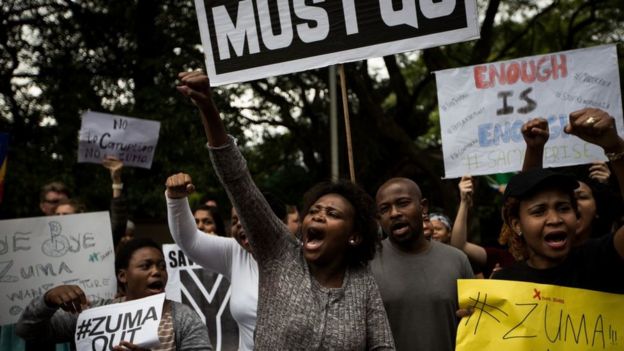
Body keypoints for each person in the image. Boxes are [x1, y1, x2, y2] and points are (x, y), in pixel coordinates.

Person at [175, 70, 394, 350]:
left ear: (354, 236)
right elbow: (237, 179)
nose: (317, 215)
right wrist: (208, 107)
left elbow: (382, 346)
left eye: (332, 213)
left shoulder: (363, 284)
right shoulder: (280, 254)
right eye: (314, 210)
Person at [491, 108, 624, 294]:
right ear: (517, 225)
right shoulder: (504, 284)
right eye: (539, 211)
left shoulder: (602, 259)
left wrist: (615, 147)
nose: (555, 219)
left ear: (576, 216)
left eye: (563, 208)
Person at [16, 238, 213, 350]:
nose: (157, 272)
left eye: (162, 266)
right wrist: (47, 299)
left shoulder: (182, 316)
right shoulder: (92, 314)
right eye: (146, 266)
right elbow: (27, 331)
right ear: (123, 276)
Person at [372, 177, 474, 351]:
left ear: (423, 207)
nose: (394, 213)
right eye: (385, 209)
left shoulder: (457, 260)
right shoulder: (366, 262)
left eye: (403, 203)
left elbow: (477, 324)